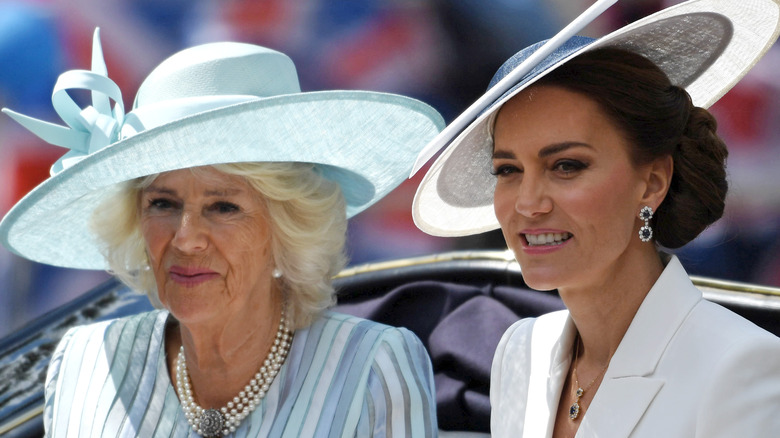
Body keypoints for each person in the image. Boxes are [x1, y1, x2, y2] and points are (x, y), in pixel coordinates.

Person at [1, 29, 444, 437]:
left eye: (223, 207)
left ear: (287, 228)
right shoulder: (85, 362)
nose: (186, 237)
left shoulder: (372, 365)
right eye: (163, 204)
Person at [411, 0, 780, 436]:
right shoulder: (522, 350)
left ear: (653, 182)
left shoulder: (741, 365)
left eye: (567, 165)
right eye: (508, 170)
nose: (528, 203)